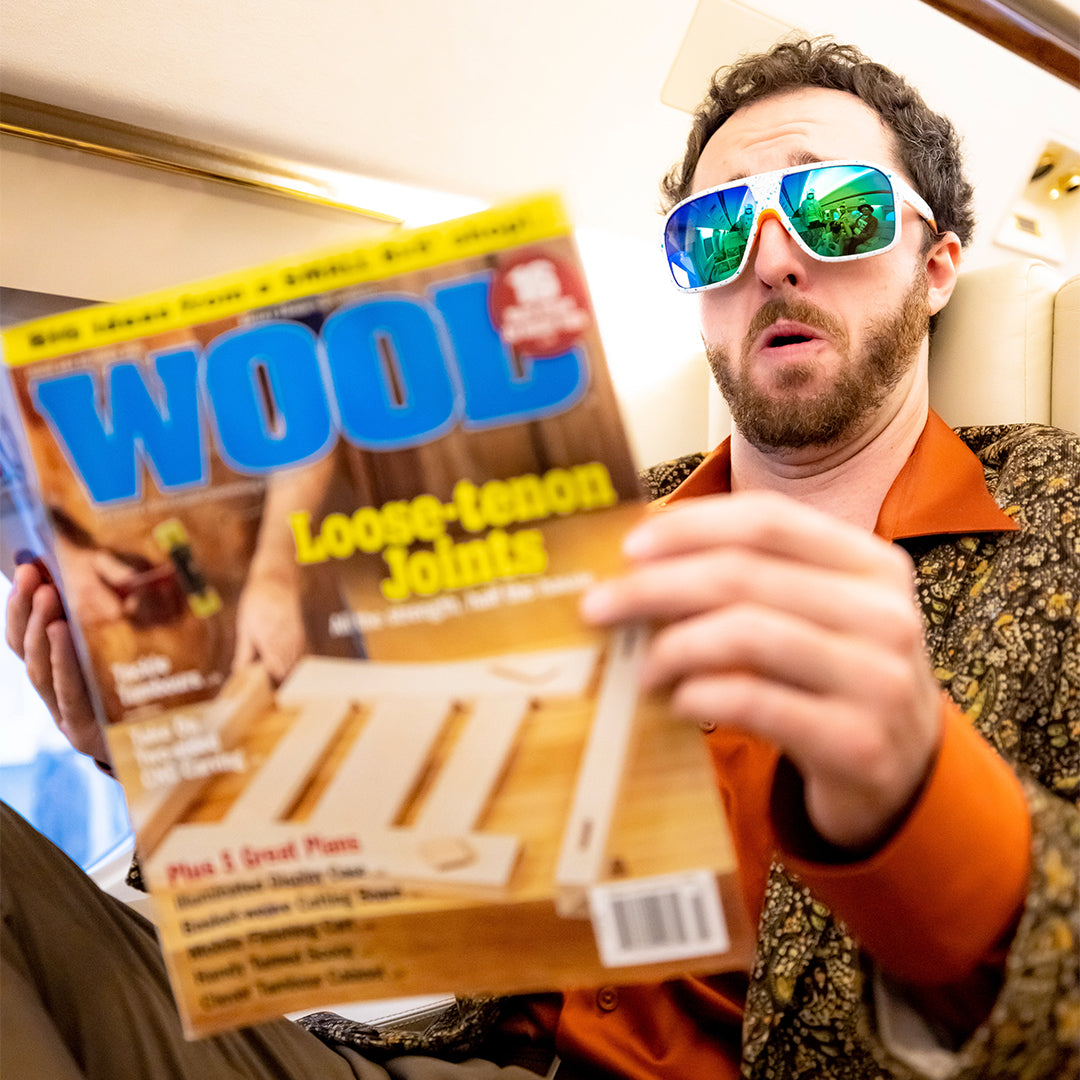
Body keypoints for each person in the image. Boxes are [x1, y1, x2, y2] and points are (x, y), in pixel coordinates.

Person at [3, 35, 1078, 1080]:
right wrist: (158, 758)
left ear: (936, 267)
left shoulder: (1058, 527)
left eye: (834, 211)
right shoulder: (599, 519)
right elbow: (388, 874)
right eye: (715, 235)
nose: (773, 260)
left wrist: (921, 796)